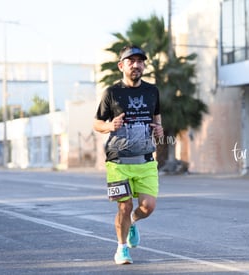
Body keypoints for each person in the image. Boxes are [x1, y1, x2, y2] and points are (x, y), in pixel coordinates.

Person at [93, 45, 164, 265]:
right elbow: (96, 123)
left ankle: (133, 222)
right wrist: (109, 126)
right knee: (124, 206)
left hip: (145, 160)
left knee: (148, 207)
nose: (136, 65)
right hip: (118, 162)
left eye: (140, 61)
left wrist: (160, 132)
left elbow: (157, 120)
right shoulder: (112, 93)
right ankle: (122, 249)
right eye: (131, 61)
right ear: (121, 65)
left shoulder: (152, 91)